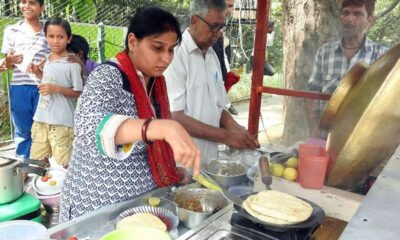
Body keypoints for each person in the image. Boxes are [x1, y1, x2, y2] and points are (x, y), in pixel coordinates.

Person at [59, 7, 200, 222]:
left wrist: (172, 168)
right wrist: (156, 127)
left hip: (141, 202)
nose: (166, 58)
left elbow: (151, 146)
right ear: (133, 41)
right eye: (157, 48)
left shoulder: (156, 82)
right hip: (97, 205)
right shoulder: (108, 76)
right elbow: (88, 127)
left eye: (171, 50)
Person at [164, 0, 259, 163]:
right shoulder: (176, 55)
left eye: (221, 27)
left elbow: (218, 107)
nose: (219, 33)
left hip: (208, 161)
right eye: (214, 26)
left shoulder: (211, 55)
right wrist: (226, 136)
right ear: (194, 21)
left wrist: (237, 129)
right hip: (181, 164)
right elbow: (174, 116)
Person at [305, 0, 387, 139]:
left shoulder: (381, 55)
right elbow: (312, 93)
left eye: (357, 14)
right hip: (325, 135)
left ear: (369, 20)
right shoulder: (325, 52)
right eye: (346, 13)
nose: (349, 19)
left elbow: (386, 101)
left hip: (362, 139)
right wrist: (314, 129)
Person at [28, 17, 83, 168]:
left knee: (64, 161)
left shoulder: (72, 63)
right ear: (46, 38)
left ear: (68, 39)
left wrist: (56, 89)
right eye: (51, 36)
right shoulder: (48, 59)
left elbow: (79, 92)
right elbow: (47, 81)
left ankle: (68, 188)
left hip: (62, 121)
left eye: (60, 36)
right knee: (37, 159)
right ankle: (40, 187)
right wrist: (37, 72)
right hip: (42, 117)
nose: (55, 41)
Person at [0, 0, 50, 159]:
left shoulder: (48, 31)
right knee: (22, 128)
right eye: (23, 2)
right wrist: (9, 60)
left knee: (42, 127)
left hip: (42, 87)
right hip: (19, 86)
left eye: (32, 3)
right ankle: (24, 164)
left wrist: (45, 65)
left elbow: (56, 56)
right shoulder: (12, 30)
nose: (27, 6)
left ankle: (41, 164)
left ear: (41, 8)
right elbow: (5, 63)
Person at [212, 0, 239, 115]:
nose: (230, 10)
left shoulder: (221, 33)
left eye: (232, 6)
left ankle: (226, 103)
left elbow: (222, 55)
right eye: (228, 6)